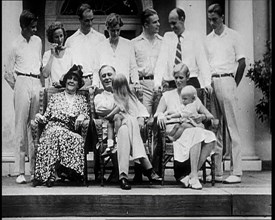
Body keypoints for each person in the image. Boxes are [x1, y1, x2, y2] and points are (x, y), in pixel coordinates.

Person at [154, 63, 216, 190]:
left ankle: (192, 175)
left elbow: (209, 115)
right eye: (176, 77)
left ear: (187, 77)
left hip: (191, 129)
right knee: (197, 133)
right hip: (175, 132)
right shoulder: (167, 96)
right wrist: (160, 115)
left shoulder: (192, 96)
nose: (178, 81)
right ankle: (193, 176)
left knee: (211, 138)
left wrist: (202, 117)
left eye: (181, 77)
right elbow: (158, 113)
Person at [206, 3, 246, 184]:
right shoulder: (208, 39)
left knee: (232, 127)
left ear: (222, 17)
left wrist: (233, 84)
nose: (212, 23)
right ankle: (217, 171)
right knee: (215, 126)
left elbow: (242, 63)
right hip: (212, 81)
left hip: (228, 79)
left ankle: (236, 171)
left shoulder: (234, 36)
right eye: (210, 20)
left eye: (215, 19)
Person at [32, 65, 90, 187]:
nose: (71, 81)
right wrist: (39, 116)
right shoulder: (55, 97)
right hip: (52, 127)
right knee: (55, 132)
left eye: (75, 79)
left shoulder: (82, 99)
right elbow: (46, 117)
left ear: (78, 83)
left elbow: (87, 114)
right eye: (69, 78)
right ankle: (51, 174)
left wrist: (82, 116)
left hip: (69, 130)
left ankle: (57, 173)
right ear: (65, 81)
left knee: (71, 137)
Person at [4, 10, 42, 184]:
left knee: (34, 126)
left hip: (36, 81)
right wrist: (18, 86)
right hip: (22, 81)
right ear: (24, 27)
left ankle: (34, 170)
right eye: (32, 27)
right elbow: (7, 72)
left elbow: (39, 65)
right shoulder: (14, 45)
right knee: (21, 126)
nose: (35, 30)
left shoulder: (38, 42)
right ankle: (20, 171)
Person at [112, 74, 162, 190]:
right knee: (129, 121)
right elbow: (106, 115)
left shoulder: (132, 98)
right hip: (115, 132)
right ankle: (147, 166)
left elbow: (143, 112)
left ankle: (123, 177)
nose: (121, 89)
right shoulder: (109, 97)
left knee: (126, 129)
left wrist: (140, 118)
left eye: (123, 86)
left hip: (128, 134)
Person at [154, 7, 211, 92]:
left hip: (190, 81)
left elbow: (202, 61)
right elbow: (161, 61)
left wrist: (207, 83)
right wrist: (157, 83)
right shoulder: (168, 37)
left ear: (182, 19)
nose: (172, 27)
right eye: (170, 24)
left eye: (174, 23)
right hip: (173, 82)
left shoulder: (194, 37)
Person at [95, 13, 140, 89]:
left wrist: (136, 82)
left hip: (123, 87)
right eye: (113, 31)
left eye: (118, 30)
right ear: (108, 29)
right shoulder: (100, 47)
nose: (115, 33)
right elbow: (96, 69)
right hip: (106, 88)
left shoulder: (128, 44)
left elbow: (133, 67)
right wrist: (95, 84)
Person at [65, 3, 105, 87]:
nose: (90, 23)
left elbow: (104, 62)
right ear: (80, 20)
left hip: (96, 81)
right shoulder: (71, 40)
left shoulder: (100, 38)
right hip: (78, 81)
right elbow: (67, 65)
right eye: (87, 20)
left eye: (91, 20)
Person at [131, 8, 162, 116]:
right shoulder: (134, 44)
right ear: (146, 24)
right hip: (143, 85)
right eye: (155, 22)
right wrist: (136, 84)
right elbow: (132, 67)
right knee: (145, 118)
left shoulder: (163, 42)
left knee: (160, 118)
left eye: (158, 21)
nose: (158, 24)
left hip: (160, 85)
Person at [42, 21, 74, 87]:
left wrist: (62, 83)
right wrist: (52, 55)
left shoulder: (70, 53)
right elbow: (45, 74)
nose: (60, 40)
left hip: (67, 89)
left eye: (61, 36)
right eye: (56, 37)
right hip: (52, 90)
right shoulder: (47, 54)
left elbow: (73, 74)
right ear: (52, 38)